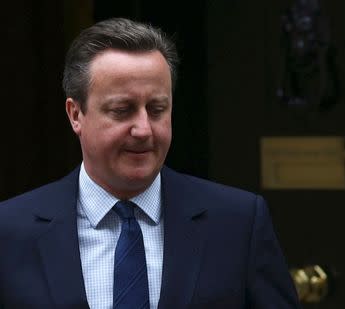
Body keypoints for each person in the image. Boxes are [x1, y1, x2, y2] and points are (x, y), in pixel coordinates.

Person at [0, 18, 301, 309]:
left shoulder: (237, 223)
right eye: (122, 110)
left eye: (157, 109)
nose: (144, 129)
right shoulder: (10, 231)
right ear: (76, 114)